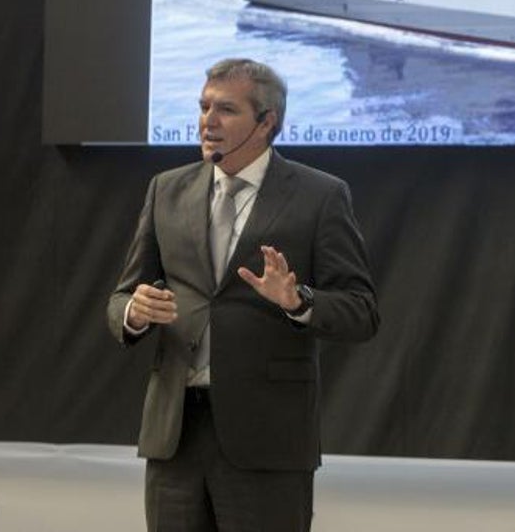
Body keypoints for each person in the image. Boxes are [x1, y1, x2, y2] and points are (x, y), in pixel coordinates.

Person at [108, 58, 379, 532]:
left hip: (268, 441)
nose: (207, 121)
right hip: (176, 436)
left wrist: (299, 300)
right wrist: (135, 311)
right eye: (203, 106)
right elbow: (123, 295)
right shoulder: (166, 190)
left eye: (226, 110)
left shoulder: (320, 196)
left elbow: (361, 310)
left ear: (266, 122)